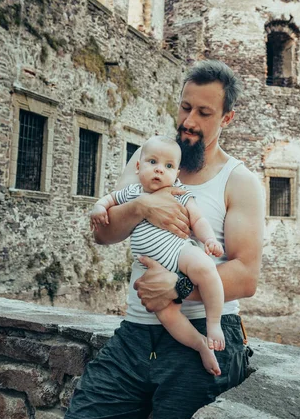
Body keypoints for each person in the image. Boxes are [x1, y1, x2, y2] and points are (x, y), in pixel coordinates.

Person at [48, 60, 264, 419]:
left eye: (203, 112)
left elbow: (246, 275)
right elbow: (104, 234)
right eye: (185, 107)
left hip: (202, 340)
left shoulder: (240, 180)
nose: (188, 121)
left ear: (227, 118)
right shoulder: (148, 160)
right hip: (134, 336)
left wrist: (178, 289)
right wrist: (143, 207)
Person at [90, 134, 226, 376]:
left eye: (168, 166)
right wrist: (99, 208)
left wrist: (209, 239)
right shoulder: (132, 193)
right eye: (153, 162)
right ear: (139, 167)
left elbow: (198, 219)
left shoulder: (179, 192)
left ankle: (213, 324)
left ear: (176, 175)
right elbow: (108, 200)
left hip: (179, 252)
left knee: (206, 268)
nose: (159, 170)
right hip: (148, 270)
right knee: (168, 317)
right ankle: (201, 345)